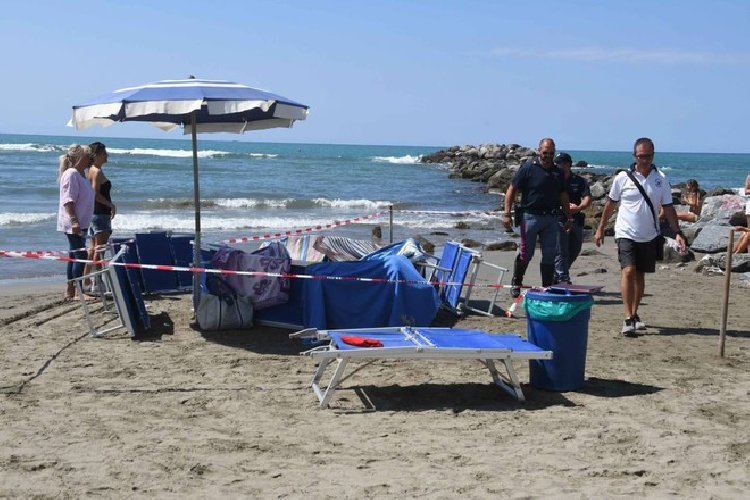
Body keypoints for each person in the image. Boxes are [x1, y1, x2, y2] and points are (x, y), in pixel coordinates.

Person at [594, 138, 686, 337]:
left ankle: (635, 314)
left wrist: (678, 232)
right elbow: (610, 205)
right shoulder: (622, 178)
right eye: (641, 156)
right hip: (626, 232)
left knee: (640, 275)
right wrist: (600, 227)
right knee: (628, 270)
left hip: (650, 234)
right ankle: (627, 318)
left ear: (653, 155)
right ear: (634, 156)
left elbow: (669, 208)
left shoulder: (661, 178)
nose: (644, 160)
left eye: (648, 156)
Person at [503, 138, 573, 297]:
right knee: (526, 253)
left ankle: (547, 288)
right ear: (539, 150)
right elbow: (512, 189)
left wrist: (569, 217)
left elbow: (564, 195)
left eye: (551, 153)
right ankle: (517, 282)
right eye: (545, 152)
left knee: (549, 255)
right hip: (530, 217)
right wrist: (507, 214)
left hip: (551, 218)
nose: (547, 155)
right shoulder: (528, 168)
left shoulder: (558, 172)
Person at [57, 144, 95, 300]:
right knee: (81, 254)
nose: (90, 159)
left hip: (82, 222)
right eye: (88, 156)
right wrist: (74, 221)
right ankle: (79, 291)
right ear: (81, 158)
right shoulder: (71, 174)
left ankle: (70, 289)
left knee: (74, 254)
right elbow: (68, 200)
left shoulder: (81, 174)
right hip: (73, 222)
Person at [553, 152, 592, 284]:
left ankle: (558, 272)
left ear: (569, 164)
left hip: (576, 219)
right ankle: (563, 277)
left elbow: (587, 198)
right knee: (561, 249)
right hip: (558, 218)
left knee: (575, 250)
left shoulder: (579, 181)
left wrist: (580, 207)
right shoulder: (553, 180)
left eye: (564, 163)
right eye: (558, 163)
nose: (561, 166)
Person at [83, 142, 116, 288]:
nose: (106, 156)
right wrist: (110, 205)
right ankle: (97, 281)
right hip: (100, 213)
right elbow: (95, 194)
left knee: (93, 249)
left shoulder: (90, 170)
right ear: (96, 155)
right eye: (103, 153)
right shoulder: (96, 171)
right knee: (99, 249)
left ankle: (86, 279)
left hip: (93, 213)